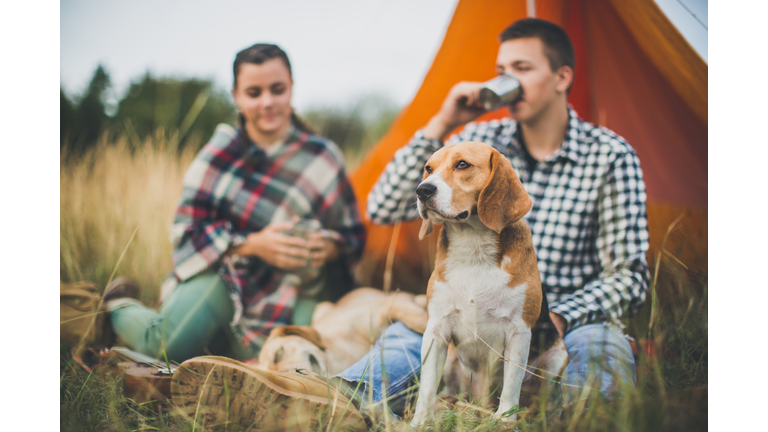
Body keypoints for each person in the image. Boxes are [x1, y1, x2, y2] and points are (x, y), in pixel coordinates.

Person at [171, 18, 648, 429]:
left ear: (563, 76)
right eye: (502, 71)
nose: (508, 81)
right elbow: (382, 205)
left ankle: (586, 421)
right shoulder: (475, 139)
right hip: (470, 311)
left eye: (522, 69)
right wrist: (442, 121)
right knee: (409, 333)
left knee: (602, 342)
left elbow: (631, 274)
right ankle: (327, 404)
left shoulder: (610, 156)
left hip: (566, 319)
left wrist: (557, 316)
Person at [103, 43, 366, 363]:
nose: (267, 102)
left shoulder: (323, 157)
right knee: (163, 348)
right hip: (224, 275)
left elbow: (351, 236)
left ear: (292, 89)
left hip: (294, 286)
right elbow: (187, 231)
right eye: (254, 93)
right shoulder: (220, 154)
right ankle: (117, 305)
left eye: (277, 90)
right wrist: (253, 245)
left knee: (298, 357)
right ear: (236, 96)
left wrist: (329, 248)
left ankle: (222, 342)